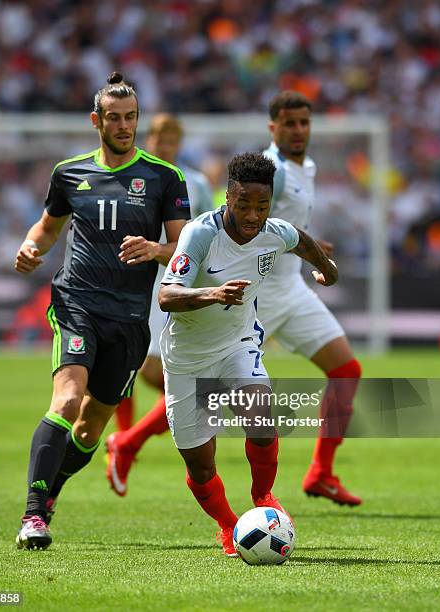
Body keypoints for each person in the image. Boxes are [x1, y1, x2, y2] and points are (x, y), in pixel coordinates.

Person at [13, 72, 191, 550]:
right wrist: (31, 247)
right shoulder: (69, 172)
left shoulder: (164, 177)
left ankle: (51, 493)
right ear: (97, 120)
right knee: (67, 401)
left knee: (91, 427)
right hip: (78, 302)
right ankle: (33, 513)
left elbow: (185, 248)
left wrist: (155, 250)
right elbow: (48, 229)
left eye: (130, 117)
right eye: (114, 117)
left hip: (131, 318)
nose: (123, 125)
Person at [158, 151, 338, 556]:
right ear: (228, 198)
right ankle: (228, 526)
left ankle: (263, 497)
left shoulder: (275, 231)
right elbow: (166, 295)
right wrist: (212, 293)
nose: (254, 215)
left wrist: (328, 268)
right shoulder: (200, 234)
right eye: (244, 205)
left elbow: (301, 241)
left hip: (237, 345)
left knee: (261, 416)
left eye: (262, 206)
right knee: (201, 466)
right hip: (186, 358)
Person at [259, 90, 362, 505]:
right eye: (289, 123)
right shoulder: (272, 171)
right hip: (259, 295)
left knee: (347, 370)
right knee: (210, 387)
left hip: (293, 289)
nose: (298, 130)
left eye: (304, 123)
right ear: (273, 127)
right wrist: (307, 248)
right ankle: (131, 442)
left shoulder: (308, 166)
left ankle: (321, 471)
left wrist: (310, 247)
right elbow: (250, 228)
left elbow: (286, 229)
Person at [105, 113, 213, 496]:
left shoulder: (195, 183)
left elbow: (205, 237)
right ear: (148, 137)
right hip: (135, 285)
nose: (164, 142)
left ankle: (127, 443)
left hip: (172, 286)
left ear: (180, 141)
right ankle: (125, 440)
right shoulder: (133, 177)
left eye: (172, 136)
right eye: (158, 135)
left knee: (185, 383)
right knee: (136, 368)